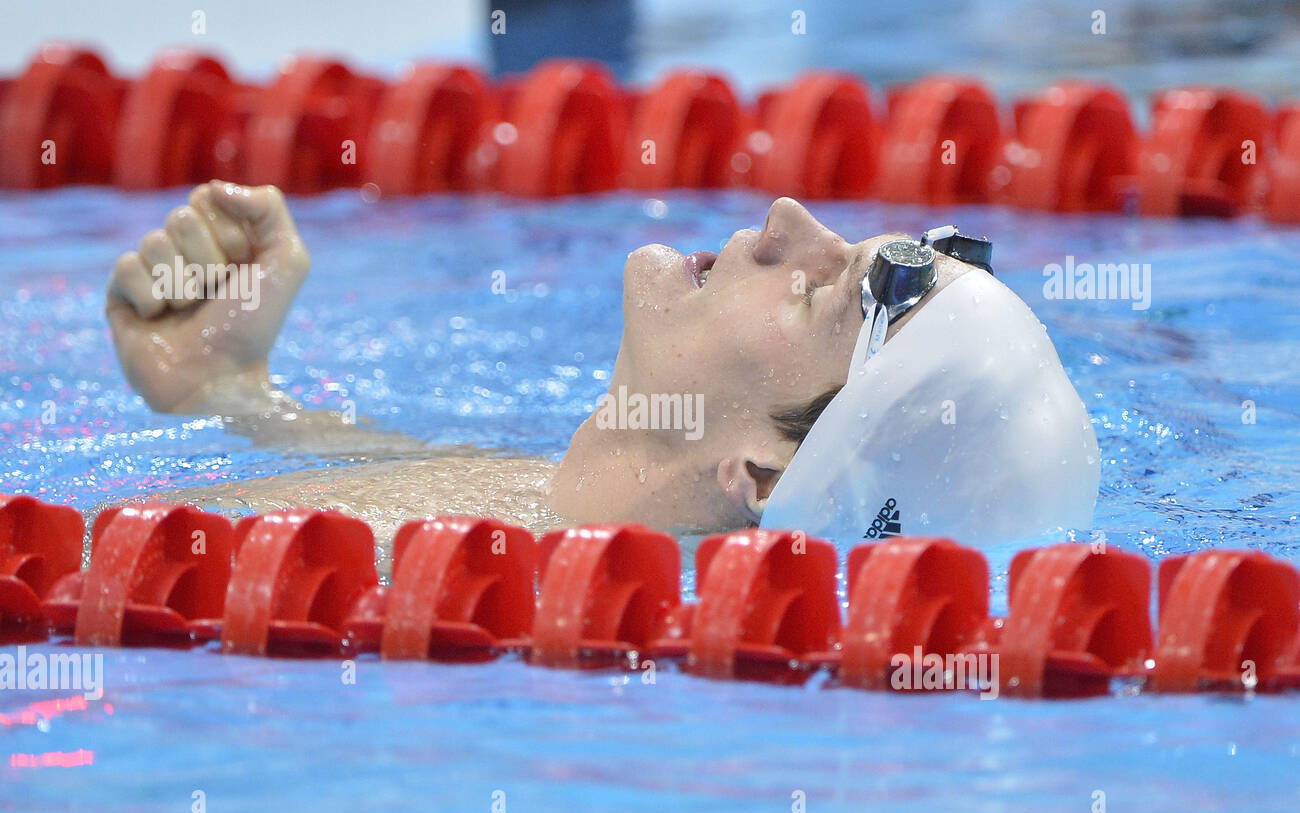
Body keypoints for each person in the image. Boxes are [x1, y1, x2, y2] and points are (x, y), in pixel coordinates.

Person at [105, 180, 1098, 549]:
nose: (784, 222)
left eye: (815, 293)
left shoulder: (453, 569)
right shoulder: (529, 506)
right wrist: (221, 388)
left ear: (769, 474)